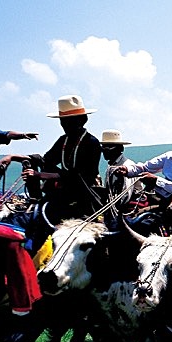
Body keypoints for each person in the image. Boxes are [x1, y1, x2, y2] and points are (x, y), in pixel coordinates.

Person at [20, 95, 102, 242]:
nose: (64, 125)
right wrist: (29, 160)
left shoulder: (91, 143)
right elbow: (48, 160)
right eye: (62, 121)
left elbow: (83, 175)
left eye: (69, 121)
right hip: (62, 192)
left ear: (82, 120)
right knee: (35, 219)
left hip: (84, 196)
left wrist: (42, 175)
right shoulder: (63, 140)